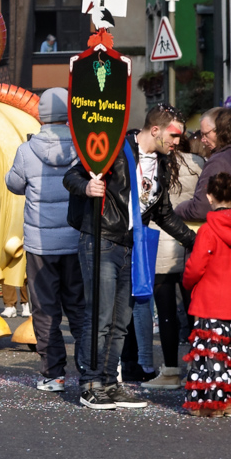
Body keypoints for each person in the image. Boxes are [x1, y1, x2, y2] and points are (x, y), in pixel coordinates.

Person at [63, 97, 149, 410]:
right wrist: (87, 188)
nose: (178, 142)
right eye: (175, 136)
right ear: (158, 131)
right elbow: (72, 175)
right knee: (99, 315)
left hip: (127, 243)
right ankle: (90, 383)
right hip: (101, 239)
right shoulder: (116, 146)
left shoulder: (156, 160)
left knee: (120, 320)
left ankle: (110, 382)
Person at [3, 88, 82, 392]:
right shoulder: (80, 147)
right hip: (75, 240)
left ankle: (54, 374)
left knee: (46, 308)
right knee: (78, 306)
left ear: (41, 115)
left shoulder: (27, 150)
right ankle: (88, 369)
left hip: (39, 244)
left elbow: (14, 184)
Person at [181, 171, 231, 416]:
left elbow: (195, 266)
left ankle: (210, 404)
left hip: (209, 299)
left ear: (209, 196)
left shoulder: (207, 229)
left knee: (209, 352)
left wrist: (187, 282)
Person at [145, 109, 201, 387]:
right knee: (193, 310)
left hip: (161, 246)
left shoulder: (155, 164)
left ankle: (170, 370)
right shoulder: (198, 163)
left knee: (166, 313)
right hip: (192, 241)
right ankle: (197, 367)